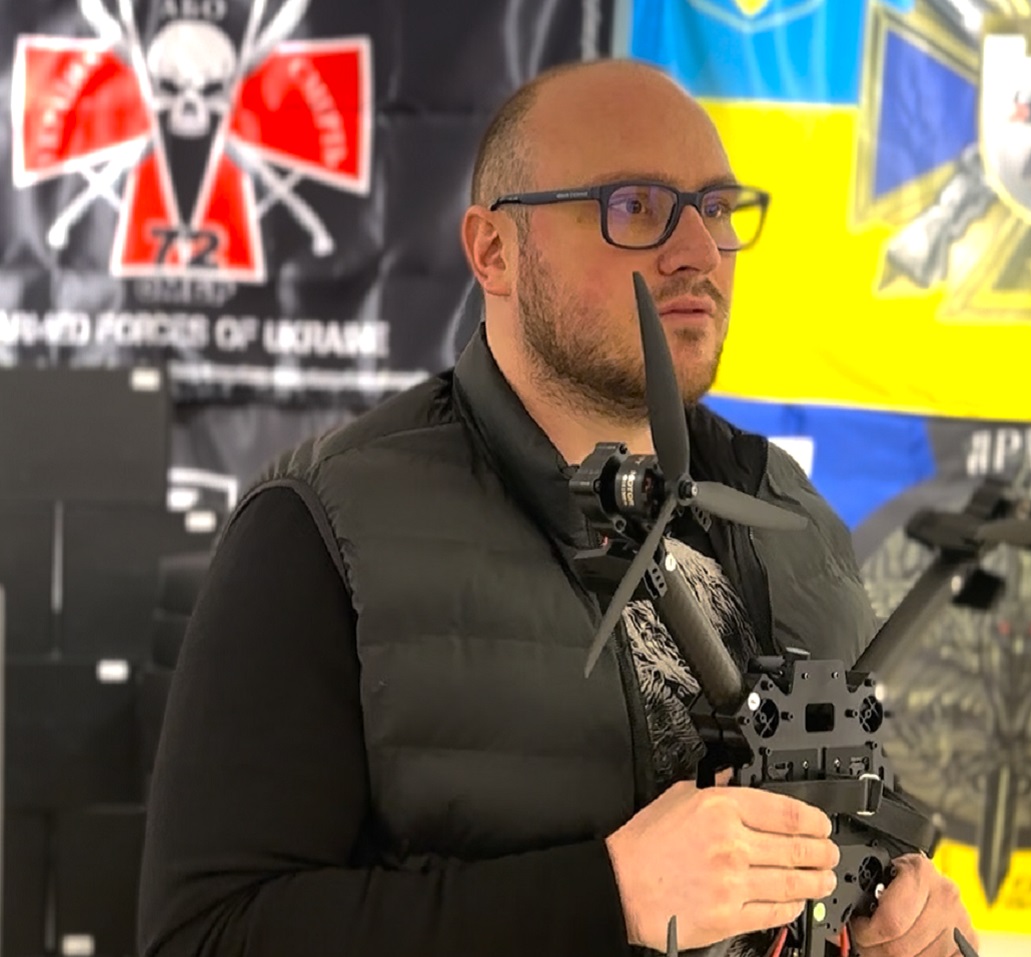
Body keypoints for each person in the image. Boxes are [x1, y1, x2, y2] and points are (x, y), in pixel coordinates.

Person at [136, 58, 978, 957]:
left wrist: (901, 922)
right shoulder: (321, 530)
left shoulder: (789, 512)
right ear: (494, 251)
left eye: (718, 210)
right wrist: (606, 896)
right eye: (636, 207)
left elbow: (847, 839)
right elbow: (205, 936)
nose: (698, 252)